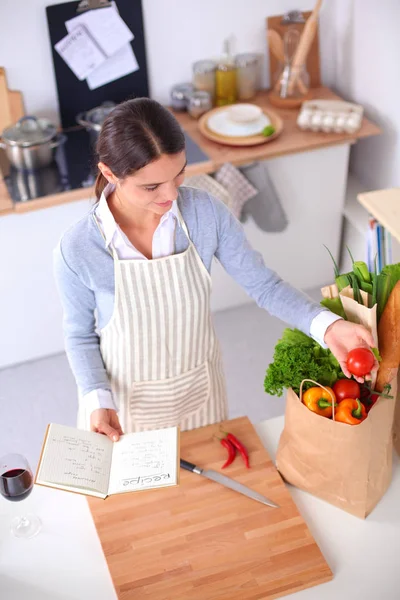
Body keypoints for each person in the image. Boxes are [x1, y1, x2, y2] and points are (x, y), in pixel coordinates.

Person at [54, 98, 375, 441]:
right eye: (151, 186)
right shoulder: (78, 247)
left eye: (178, 175)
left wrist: (328, 327)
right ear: (109, 174)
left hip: (199, 396)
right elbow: (79, 335)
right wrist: (96, 399)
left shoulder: (204, 213)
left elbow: (263, 285)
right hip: (124, 409)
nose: (171, 195)